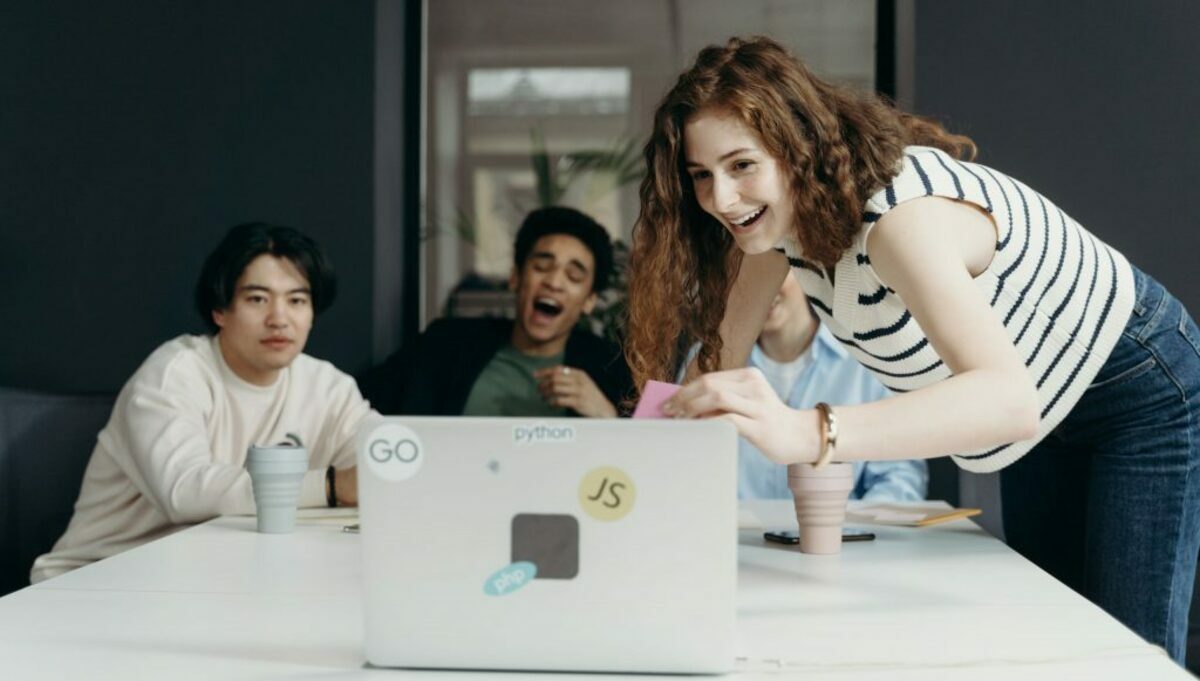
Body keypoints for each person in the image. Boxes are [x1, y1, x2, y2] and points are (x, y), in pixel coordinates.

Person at [626, 36, 1200, 664]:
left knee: (1127, 660)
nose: (721, 200)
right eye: (702, 176)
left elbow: (1007, 401)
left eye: (741, 166)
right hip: (1048, 408)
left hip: (1136, 387)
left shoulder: (899, 221)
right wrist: (634, 501)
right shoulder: (771, 235)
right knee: (1056, 651)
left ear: (797, 149)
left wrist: (806, 432)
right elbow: (714, 369)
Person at [32, 223, 374, 582]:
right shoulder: (174, 374)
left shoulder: (327, 386)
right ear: (219, 311)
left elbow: (383, 459)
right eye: (257, 299)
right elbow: (184, 491)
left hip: (210, 581)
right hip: (95, 581)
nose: (279, 319)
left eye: (297, 301)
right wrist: (334, 486)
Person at [359, 206, 631, 417]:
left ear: (589, 301)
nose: (554, 282)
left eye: (573, 276)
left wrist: (605, 414)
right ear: (515, 277)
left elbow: (645, 463)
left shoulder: (608, 368)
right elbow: (359, 406)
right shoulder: (446, 345)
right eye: (541, 267)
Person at [710, 274, 926, 501]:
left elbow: (900, 476)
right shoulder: (707, 365)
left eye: (763, 267)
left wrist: (852, 530)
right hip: (735, 535)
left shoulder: (867, 361)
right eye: (737, 275)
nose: (757, 287)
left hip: (842, 533)